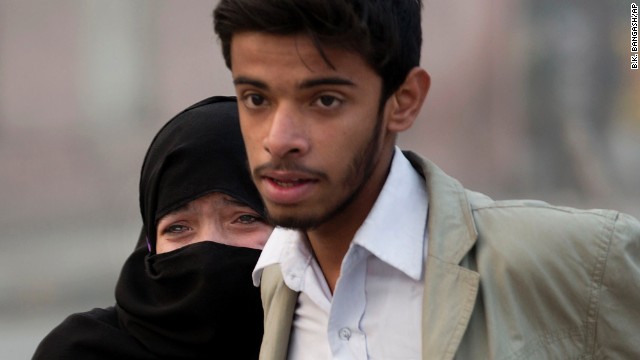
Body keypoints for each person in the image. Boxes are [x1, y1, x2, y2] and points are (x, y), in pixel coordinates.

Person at [212, 1, 640, 359]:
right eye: (256, 99)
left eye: (325, 100)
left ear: (404, 101)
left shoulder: (576, 258)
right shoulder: (273, 281)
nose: (279, 140)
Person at [32, 96, 272, 359]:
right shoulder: (82, 352)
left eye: (244, 218)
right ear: (150, 242)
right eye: (178, 228)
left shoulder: (316, 342)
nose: (207, 246)